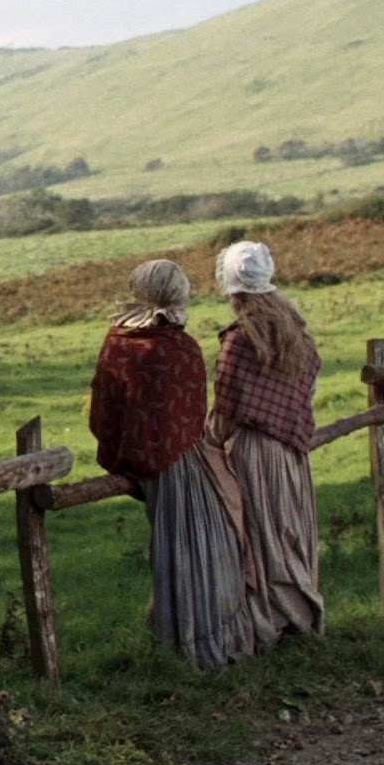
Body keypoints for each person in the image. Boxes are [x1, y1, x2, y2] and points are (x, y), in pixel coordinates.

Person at [89, 259, 254, 670]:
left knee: (174, 551)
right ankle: (197, 639)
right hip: (184, 462)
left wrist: (126, 453)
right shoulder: (183, 348)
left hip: (138, 461)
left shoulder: (117, 344)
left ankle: (176, 644)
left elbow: (104, 412)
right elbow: (195, 415)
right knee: (201, 549)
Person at [210, 241, 325, 650]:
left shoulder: (240, 341)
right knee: (289, 531)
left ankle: (272, 624)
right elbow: (308, 392)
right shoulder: (297, 334)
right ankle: (298, 618)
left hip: (254, 453)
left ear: (232, 288)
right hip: (292, 452)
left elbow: (226, 409)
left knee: (263, 540)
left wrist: (209, 445)